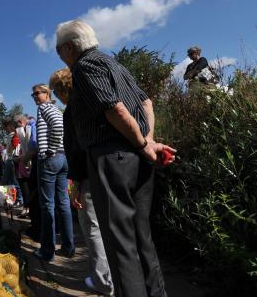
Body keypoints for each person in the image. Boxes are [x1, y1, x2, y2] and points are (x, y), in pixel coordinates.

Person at [55, 19, 176, 297]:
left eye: (59, 50)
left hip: (112, 159)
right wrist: (148, 142)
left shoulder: (84, 67)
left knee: (120, 242)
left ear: (70, 47)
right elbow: (146, 102)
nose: (60, 56)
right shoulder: (116, 65)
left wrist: (143, 143)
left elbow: (115, 110)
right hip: (137, 159)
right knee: (141, 235)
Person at [50, 67, 114, 296]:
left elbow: (75, 150)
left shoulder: (71, 112)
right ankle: (123, 278)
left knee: (92, 226)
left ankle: (103, 281)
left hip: (89, 172)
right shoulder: (98, 100)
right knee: (116, 226)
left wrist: (74, 184)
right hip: (114, 167)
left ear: (60, 91)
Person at [31, 83, 74, 261]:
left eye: (38, 93)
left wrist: (50, 149)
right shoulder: (56, 109)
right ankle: (68, 247)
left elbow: (57, 127)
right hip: (62, 159)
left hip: (50, 159)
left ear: (47, 94)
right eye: (33, 94)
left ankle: (47, 251)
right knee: (63, 203)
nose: (35, 97)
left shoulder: (44, 108)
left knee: (47, 205)